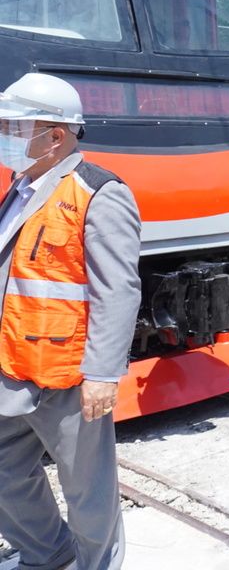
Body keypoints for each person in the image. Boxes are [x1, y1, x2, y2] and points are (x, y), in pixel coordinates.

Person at [0, 73, 141, 570]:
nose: (6, 136)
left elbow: (118, 290)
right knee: (5, 472)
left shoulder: (99, 192)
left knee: (87, 489)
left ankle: (97, 564)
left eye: (14, 127)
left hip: (67, 371)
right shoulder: (20, 190)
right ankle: (48, 554)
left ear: (55, 135)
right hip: (13, 365)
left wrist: (104, 373)